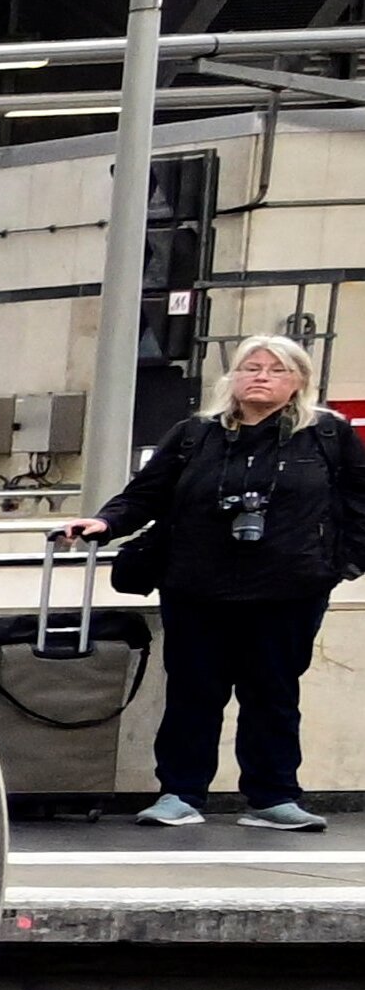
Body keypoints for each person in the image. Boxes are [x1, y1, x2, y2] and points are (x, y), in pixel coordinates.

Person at [86, 327, 359, 835]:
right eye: (252, 367)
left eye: (277, 369)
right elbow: (146, 493)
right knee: (193, 691)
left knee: (273, 693)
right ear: (232, 377)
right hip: (197, 584)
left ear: (299, 381)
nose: (262, 377)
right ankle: (180, 794)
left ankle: (273, 797)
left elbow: (358, 502)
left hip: (289, 588)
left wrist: (340, 565)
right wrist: (105, 523)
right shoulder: (196, 435)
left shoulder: (326, 435)